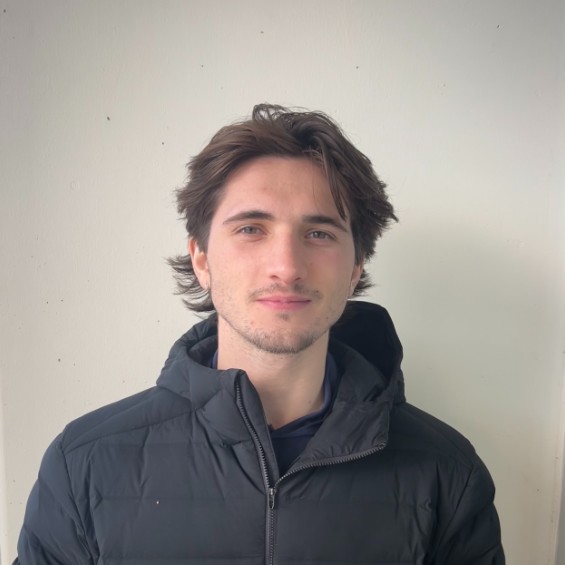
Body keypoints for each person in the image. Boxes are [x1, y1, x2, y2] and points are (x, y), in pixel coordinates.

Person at [14, 104, 504, 564]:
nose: (286, 267)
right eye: (251, 228)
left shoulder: (447, 473)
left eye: (319, 233)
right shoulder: (84, 464)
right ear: (201, 259)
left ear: (356, 267)